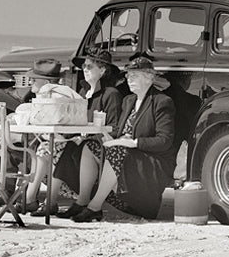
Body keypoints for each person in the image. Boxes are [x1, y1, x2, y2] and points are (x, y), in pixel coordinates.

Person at [61, 54, 175, 222]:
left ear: (149, 78)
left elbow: (164, 141)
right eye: (128, 76)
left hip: (150, 159)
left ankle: (94, 207)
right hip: (127, 152)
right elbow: (120, 131)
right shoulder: (129, 100)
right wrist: (105, 136)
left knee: (117, 150)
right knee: (89, 146)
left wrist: (133, 143)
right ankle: (82, 200)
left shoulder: (161, 101)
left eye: (134, 75)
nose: (129, 79)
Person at [25, 45, 123, 216]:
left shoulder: (111, 94)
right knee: (46, 146)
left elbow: (114, 128)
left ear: (102, 70)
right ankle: (37, 199)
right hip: (77, 140)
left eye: (89, 66)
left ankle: (50, 202)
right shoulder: (83, 92)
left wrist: (86, 136)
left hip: (98, 144)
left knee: (57, 148)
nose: (85, 69)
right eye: (84, 66)